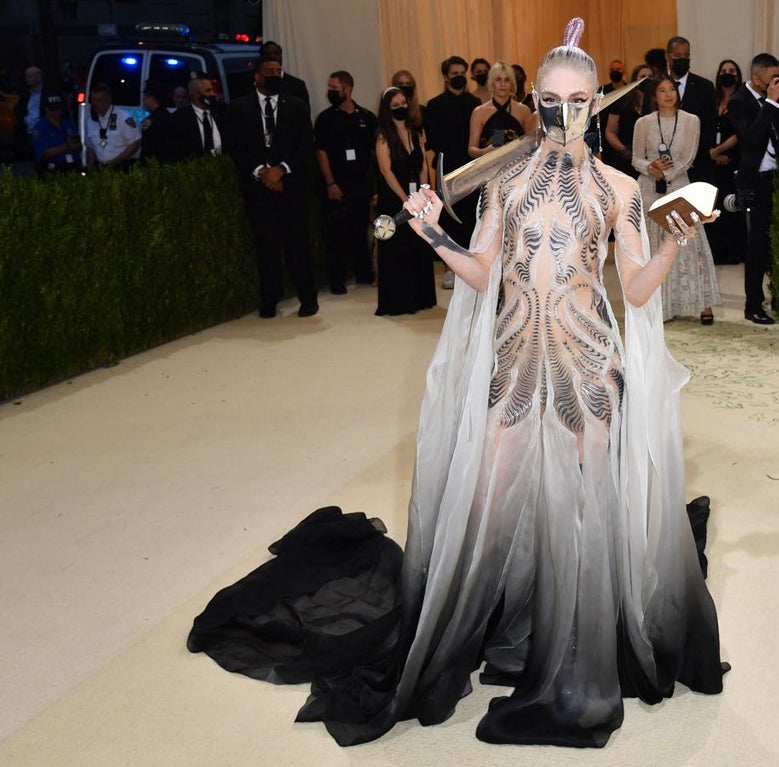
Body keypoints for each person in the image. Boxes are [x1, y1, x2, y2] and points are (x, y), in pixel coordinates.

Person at [189, 17, 725, 749]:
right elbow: (479, 274)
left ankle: (582, 655)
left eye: (579, 100)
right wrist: (435, 232)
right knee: (484, 498)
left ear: (598, 100)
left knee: (587, 509)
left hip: (589, 365)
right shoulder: (505, 182)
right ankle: (460, 632)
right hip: (512, 363)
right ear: (534, 100)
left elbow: (633, 292)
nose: (565, 114)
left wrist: (669, 240)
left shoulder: (619, 187)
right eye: (551, 99)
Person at [226, 57, 318, 319]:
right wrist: (262, 173)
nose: (276, 75)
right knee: (266, 247)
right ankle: (270, 299)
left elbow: (305, 144)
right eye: (270, 72)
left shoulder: (296, 106)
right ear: (257, 76)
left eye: (279, 70)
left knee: (297, 246)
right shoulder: (240, 107)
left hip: (291, 188)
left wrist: (281, 170)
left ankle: (307, 298)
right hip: (258, 191)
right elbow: (237, 147)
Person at [633, 74, 721, 324]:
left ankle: (703, 304)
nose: (668, 94)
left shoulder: (691, 120)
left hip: (680, 187)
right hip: (650, 189)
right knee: (656, 246)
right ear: (654, 96)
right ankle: (660, 305)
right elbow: (635, 158)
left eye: (672, 89)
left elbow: (689, 157)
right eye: (662, 90)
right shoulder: (644, 123)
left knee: (691, 245)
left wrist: (667, 172)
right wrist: (650, 167)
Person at [727, 53, 779, 324]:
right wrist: (771, 103)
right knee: (758, 244)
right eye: (772, 78)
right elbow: (751, 138)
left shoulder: (778, 97)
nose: (778, 82)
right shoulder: (739, 101)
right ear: (756, 79)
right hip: (756, 181)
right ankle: (753, 305)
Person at [374, 86, 436, 316]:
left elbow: (422, 164)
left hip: (416, 197)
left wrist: (422, 193)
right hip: (394, 198)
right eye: (395, 105)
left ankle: (421, 298)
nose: (401, 108)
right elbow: (385, 170)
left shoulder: (414, 131)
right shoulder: (383, 135)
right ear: (387, 109)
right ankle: (399, 301)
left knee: (418, 245)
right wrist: (404, 198)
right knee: (396, 250)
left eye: (403, 103)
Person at [315, 70, 378, 293]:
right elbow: (321, 152)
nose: (330, 92)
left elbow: (375, 153)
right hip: (337, 184)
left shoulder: (366, 117)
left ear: (348, 90)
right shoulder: (325, 119)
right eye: (330, 88)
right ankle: (337, 280)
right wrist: (330, 183)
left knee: (361, 229)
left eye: (334, 88)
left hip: (361, 183)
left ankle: (363, 273)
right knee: (336, 234)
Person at [424, 56, 481, 289]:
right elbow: (434, 140)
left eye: (462, 72)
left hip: (472, 168)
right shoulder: (435, 105)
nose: (459, 75)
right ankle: (449, 269)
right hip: (447, 168)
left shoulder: (474, 102)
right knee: (448, 217)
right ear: (446, 76)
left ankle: (473, 264)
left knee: (472, 215)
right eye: (454, 72)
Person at [664, 36, 717, 184]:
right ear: (667, 57)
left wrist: (693, 153)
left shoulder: (705, 86)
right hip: (665, 165)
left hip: (698, 165)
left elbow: (710, 125)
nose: (683, 59)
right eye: (678, 56)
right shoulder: (655, 86)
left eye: (686, 56)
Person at [709, 59, 747, 264]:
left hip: (733, 159)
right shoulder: (713, 100)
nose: (727, 74)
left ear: (738, 76)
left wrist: (720, 151)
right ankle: (716, 251)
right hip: (713, 162)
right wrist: (711, 153)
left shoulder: (741, 100)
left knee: (731, 205)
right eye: (723, 71)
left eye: (732, 71)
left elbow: (740, 133)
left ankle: (734, 252)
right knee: (713, 206)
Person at [467, 61, 534, 158]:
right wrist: (484, 152)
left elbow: (532, 144)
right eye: (498, 79)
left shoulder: (523, 111)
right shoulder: (479, 112)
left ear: (512, 83)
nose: (502, 84)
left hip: (518, 167)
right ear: (491, 82)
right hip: (489, 168)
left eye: (507, 80)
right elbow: (471, 149)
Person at [84, 82, 141, 171]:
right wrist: (91, 167)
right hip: (101, 169)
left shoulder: (124, 118)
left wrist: (115, 162)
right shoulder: (91, 121)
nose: (95, 104)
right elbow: (90, 146)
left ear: (109, 100)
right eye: (93, 100)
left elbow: (135, 143)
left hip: (122, 167)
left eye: (99, 100)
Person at [167, 76, 225, 162]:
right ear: (196, 94)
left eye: (212, 90)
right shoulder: (179, 119)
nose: (213, 94)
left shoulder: (221, 113)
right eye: (208, 90)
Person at [30, 93, 82, 174]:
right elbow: (43, 153)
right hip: (52, 169)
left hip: (73, 166)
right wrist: (66, 146)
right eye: (53, 109)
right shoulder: (40, 127)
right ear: (46, 109)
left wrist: (76, 144)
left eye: (59, 109)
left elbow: (79, 143)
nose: (57, 112)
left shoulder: (67, 124)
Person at [259, 41, 310, 112]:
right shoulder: (250, 83)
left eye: (276, 53)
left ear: (281, 56)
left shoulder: (297, 85)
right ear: (261, 57)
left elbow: (304, 116)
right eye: (267, 54)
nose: (272, 56)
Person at [140, 79, 178, 163]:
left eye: (145, 97)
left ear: (151, 98)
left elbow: (146, 149)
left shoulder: (148, 121)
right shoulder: (170, 117)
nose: (143, 100)